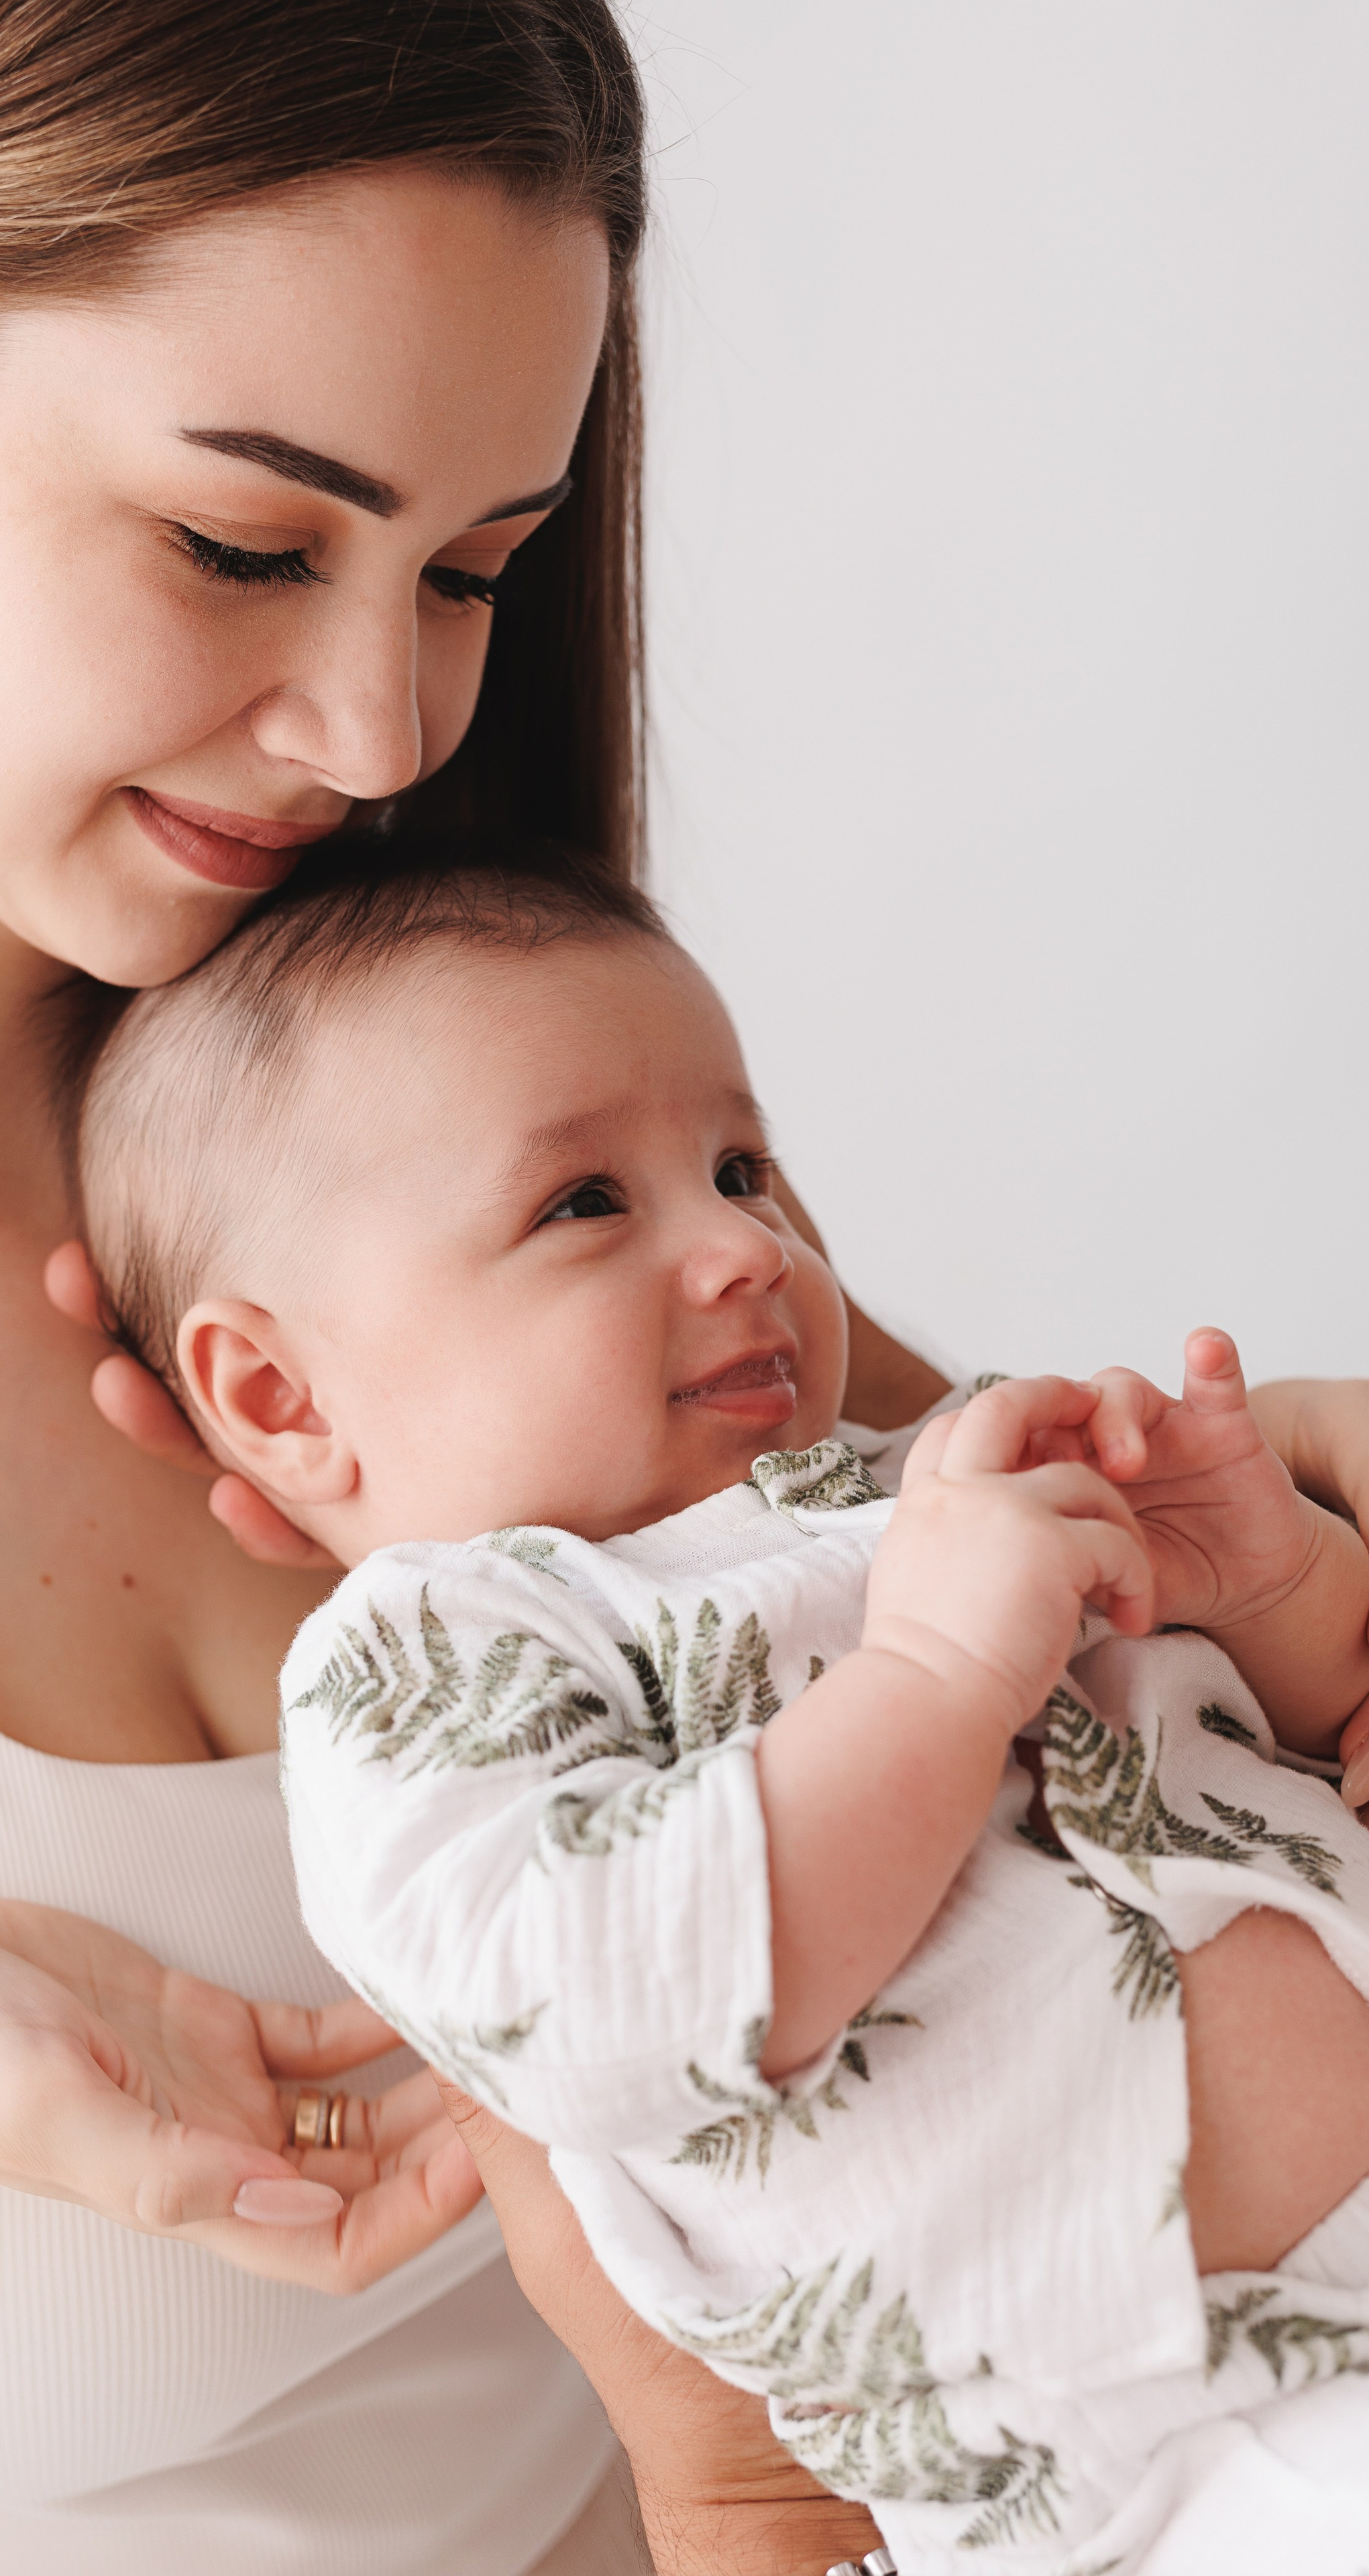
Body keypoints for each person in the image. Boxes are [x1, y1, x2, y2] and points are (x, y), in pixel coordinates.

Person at [74, 835, 1369, 2575]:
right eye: (587, 1204)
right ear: (280, 1391)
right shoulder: (429, 1669)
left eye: (743, 1168)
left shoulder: (917, 1482)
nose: (747, 1250)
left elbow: (1293, 1738)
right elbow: (625, 2000)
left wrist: (1267, 1582)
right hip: (1167, 2445)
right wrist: (935, 1673)